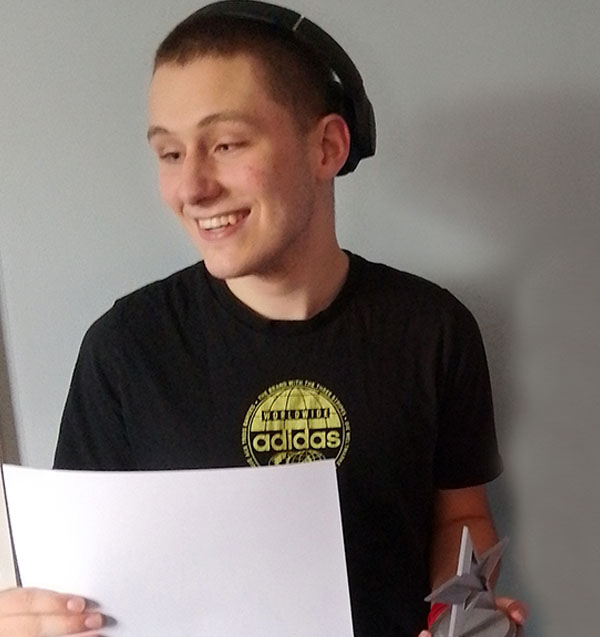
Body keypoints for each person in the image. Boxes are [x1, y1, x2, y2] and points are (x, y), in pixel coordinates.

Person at [0, 2, 527, 635]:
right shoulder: (125, 349)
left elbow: (458, 515)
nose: (191, 188)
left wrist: (459, 615)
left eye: (224, 144)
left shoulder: (433, 330)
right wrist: (35, 619)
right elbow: (75, 576)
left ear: (327, 146)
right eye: (169, 153)